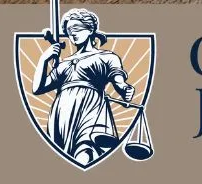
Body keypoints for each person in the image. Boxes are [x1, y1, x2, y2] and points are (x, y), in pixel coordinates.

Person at [32, 9, 134, 166]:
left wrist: (124, 88)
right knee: (64, 154)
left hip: (90, 106)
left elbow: (118, 79)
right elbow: (38, 88)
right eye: (69, 31)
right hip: (62, 111)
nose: (72, 35)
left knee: (86, 147)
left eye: (77, 29)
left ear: (90, 29)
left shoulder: (107, 57)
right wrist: (44, 59)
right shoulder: (64, 63)